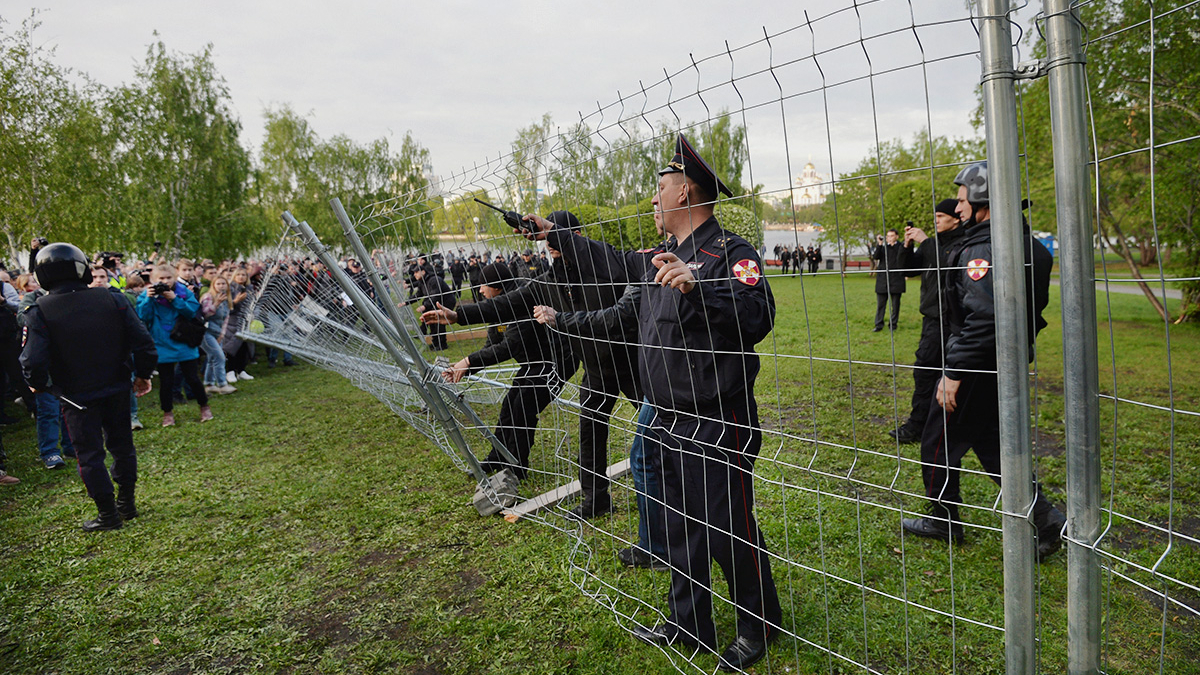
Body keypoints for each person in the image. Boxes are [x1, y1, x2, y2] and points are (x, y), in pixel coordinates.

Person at [532, 134, 780, 671]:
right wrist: (558, 236)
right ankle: (688, 623)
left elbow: (758, 317)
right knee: (677, 523)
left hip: (717, 417)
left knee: (725, 523)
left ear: (686, 191)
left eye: (659, 188)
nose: (652, 199)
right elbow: (610, 259)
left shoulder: (729, 254)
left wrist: (698, 289)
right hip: (664, 415)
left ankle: (759, 623)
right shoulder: (656, 259)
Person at [900, 161, 1067, 561]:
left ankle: (944, 519)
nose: (957, 209)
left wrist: (954, 372)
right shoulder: (1029, 244)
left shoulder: (984, 248)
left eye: (961, 200)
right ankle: (1046, 518)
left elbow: (984, 317)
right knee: (992, 444)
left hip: (976, 364)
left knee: (937, 439)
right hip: (1001, 363)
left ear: (983, 201)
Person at [20, 243, 157, 531]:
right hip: (115, 387)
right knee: (122, 447)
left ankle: (109, 514)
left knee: (90, 455)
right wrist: (143, 375)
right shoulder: (113, 299)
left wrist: (39, 386)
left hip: (74, 396)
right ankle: (126, 504)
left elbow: (32, 360)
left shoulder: (39, 310)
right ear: (81, 267)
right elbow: (143, 342)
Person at [439, 263, 566, 479]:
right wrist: (465, 368)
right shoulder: (498, 308)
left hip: (553, 363)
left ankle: (517, 467)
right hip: (532, 364)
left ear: (496, 287)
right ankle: (498, 455)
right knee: (509, 406)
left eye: (483, 285)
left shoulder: (520, 303)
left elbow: (509, 347)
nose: (479, 290)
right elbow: (491, 346)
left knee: (523, 407)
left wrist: (467, 361)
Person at [888, 199, 963, 444]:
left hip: (953, 320)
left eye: (941, 216)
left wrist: (925, 241)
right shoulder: (936, 244)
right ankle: (922, 423)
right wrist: (908, 246)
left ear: (956, 217)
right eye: (936, 215)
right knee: (926, 372)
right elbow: (908, 270)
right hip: (932, 318)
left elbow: (948, 263)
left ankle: (926, 425)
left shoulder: (961, 242)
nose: (936, 220)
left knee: (941, 372)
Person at [136, 264, 212, 426]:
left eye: (168, 278)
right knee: (166, 382)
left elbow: (192, 312)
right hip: (162, 343)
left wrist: (174, 299)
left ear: (174, 277)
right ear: (153, 280)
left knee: (192, 378)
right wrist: (149, 299)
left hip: (184, 341)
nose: (165, 281)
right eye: (161, 279)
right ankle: (167, 413)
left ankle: (204, 406)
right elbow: (144, 317)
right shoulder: (147, 295)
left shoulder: (184, 293)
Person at [18, 272, 76, 468]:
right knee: (48, 411)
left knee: (69, 408)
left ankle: (71, 446)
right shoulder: (32, 298)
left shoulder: (67, 295)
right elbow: (22, 319)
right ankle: (50, 452)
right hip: (45, 365)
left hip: (66, 362)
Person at [199, 276, 236, 394]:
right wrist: (216, 303)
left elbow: (226, 318)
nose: (221, 286)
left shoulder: (227, 300)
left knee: (212, 358)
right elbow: (204, 313)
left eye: (223, 284)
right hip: (206, 332)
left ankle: (209, 384)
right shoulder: (208, 297)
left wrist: (222, 334)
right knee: (220, 357)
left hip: (217, 332)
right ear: (213, 286)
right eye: (218, 284)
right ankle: (222, 384)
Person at [872, 228, 912, 331]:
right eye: (888, 236)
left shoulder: (901, 247)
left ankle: (893, 324)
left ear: (897, 237)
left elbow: (907, 255)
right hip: (883, 280)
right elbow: (876, 256)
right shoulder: (883, 248)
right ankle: (878, 325)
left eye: (892, 236)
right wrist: (879, 244)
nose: (890, 238)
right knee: (881, 305)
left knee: (895, 305)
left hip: (896, 279)